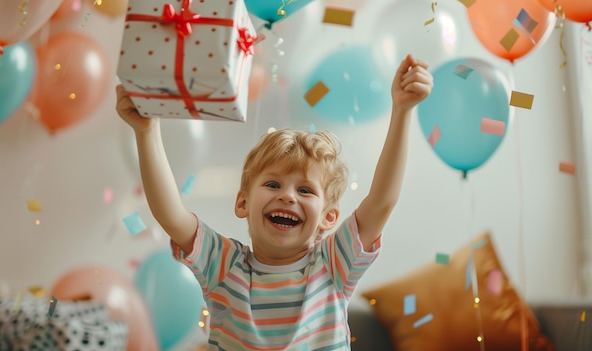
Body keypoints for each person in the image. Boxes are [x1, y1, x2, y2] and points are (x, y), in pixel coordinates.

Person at [115, 54, 433, 350]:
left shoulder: (333, 264)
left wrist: (402, 111)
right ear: (242, 203)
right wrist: (146, 132)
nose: (287, 195)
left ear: (328, 217)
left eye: (305, 191)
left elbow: (381, 202)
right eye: (272, 184)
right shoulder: (223, 265)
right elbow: (171, 214)